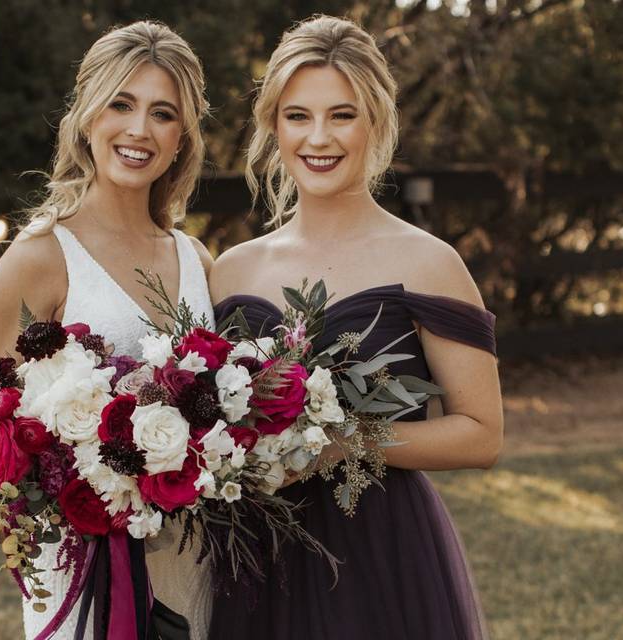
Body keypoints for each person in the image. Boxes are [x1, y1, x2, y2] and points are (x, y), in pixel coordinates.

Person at [208, 16, 503, 639]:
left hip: (383, 555)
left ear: (376, 123)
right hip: (258, 557)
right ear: (272, 126)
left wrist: (342, 441)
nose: (319, 138)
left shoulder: (429, 262)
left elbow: (480, 435)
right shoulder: (231, 271)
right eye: (297, 116)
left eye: (342, 115)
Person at [0, 21, 214, 640]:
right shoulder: (36, 259)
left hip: (196, 558)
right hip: (82, 567)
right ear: (85, 116)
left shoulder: (198, 260)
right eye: (121, 104)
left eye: (163, 113)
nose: (139, 130)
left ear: (182, 137)